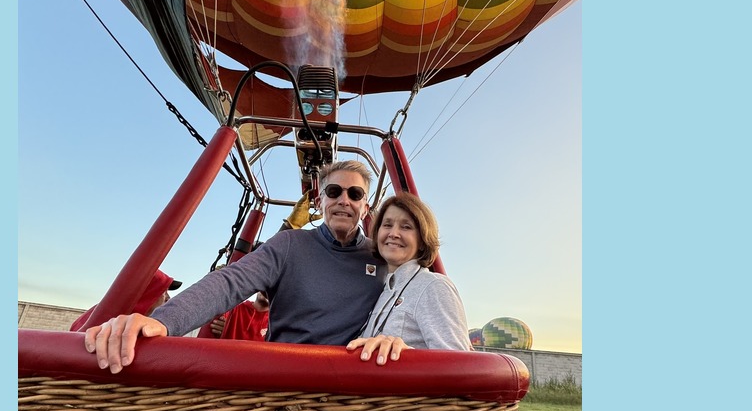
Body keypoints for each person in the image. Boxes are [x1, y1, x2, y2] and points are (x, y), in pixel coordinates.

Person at [85, 160, 385, 373]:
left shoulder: (380, 258)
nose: (344, 200)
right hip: (286, 376)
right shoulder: (290, 245)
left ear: (366, 206)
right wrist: (163, 321)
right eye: (334, 192)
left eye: (354, 194)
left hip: (348, 384)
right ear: (320, 202)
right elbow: (230, 282)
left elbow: (413, 290)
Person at [345, 193, 470, 365]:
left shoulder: (433, 286)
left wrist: (407, 354)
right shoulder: (384, 291)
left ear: (422, 239)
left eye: (406, 227)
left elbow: (458, 364)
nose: (393, 233)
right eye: (387, 225)